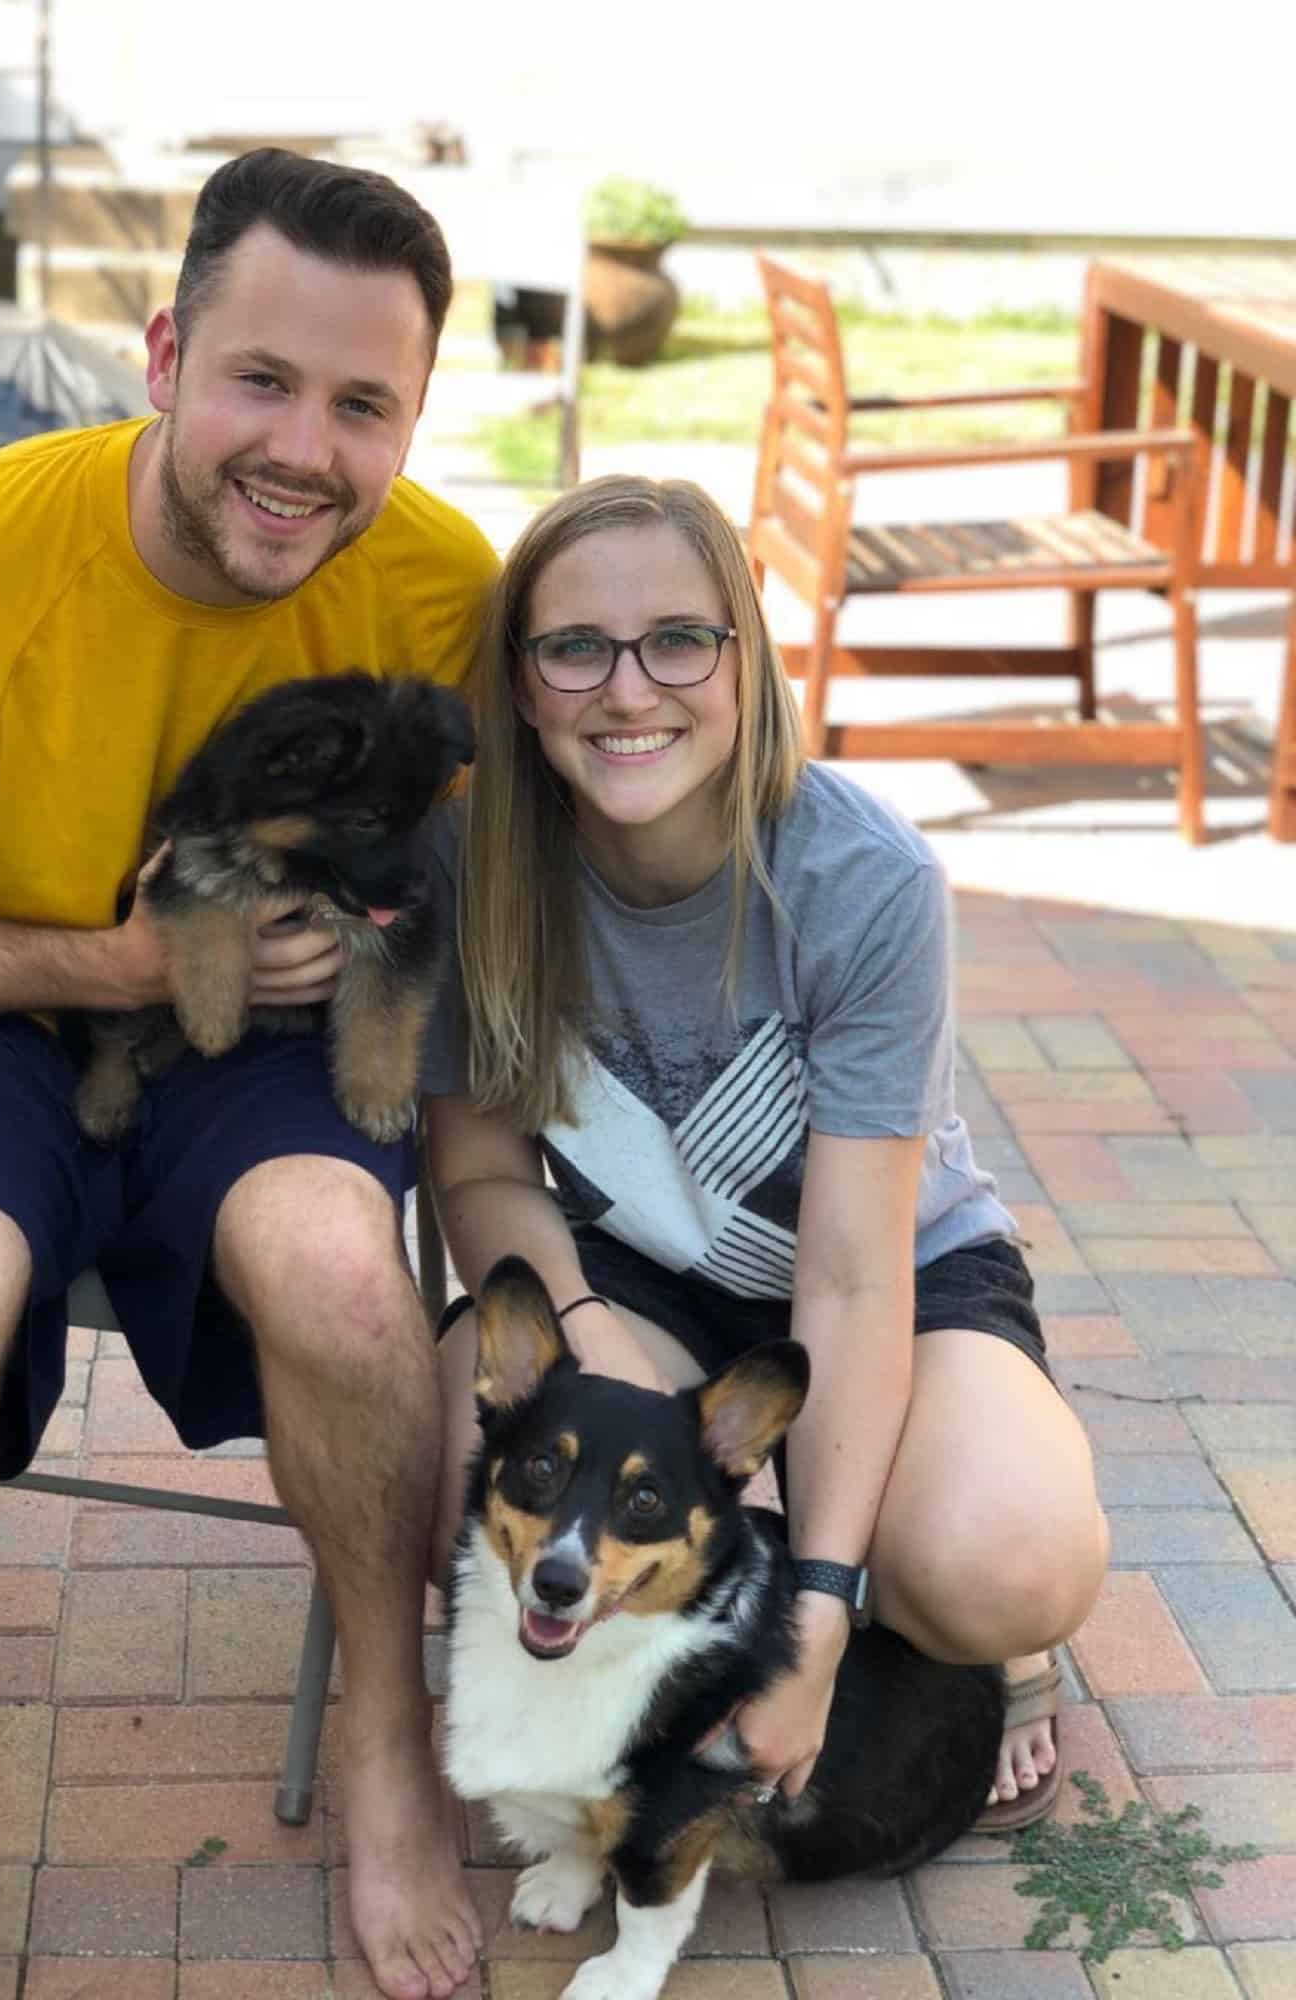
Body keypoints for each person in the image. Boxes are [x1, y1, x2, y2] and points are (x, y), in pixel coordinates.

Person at [0, 148, 496, 2000]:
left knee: (339, 1269)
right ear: (164, 355)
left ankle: (390, 1750)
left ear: (409, 420)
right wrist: (113, 963)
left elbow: (498, 866)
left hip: (266, 1025)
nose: (303, 449)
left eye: (360, 405)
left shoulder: (436, 588)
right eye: (261, 378)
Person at [421, 473, 1109, 1837]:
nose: (630, 691)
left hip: (888, 1271)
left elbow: (853, 1283)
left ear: (748, 656)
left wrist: (816, 1625)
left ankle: (933, 1603)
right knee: (470, 1492)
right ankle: (777, 1546)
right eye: (576, 648)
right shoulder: (475, 868)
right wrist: (576, 1330)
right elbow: (483, 1175)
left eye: (679, 639)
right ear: (522, 680)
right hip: (636, 1274)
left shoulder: (861, 880)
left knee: (1001, 1565)